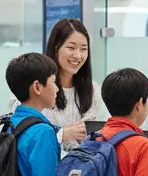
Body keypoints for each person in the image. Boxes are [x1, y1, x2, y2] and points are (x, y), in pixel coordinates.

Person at [7, 18, 105, 150]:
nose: (78, 55)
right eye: (71, 48)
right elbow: (20, 134)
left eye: (83, 49)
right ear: (55, 48)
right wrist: (61, 135)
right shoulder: (37, 88)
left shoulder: (93, 91)